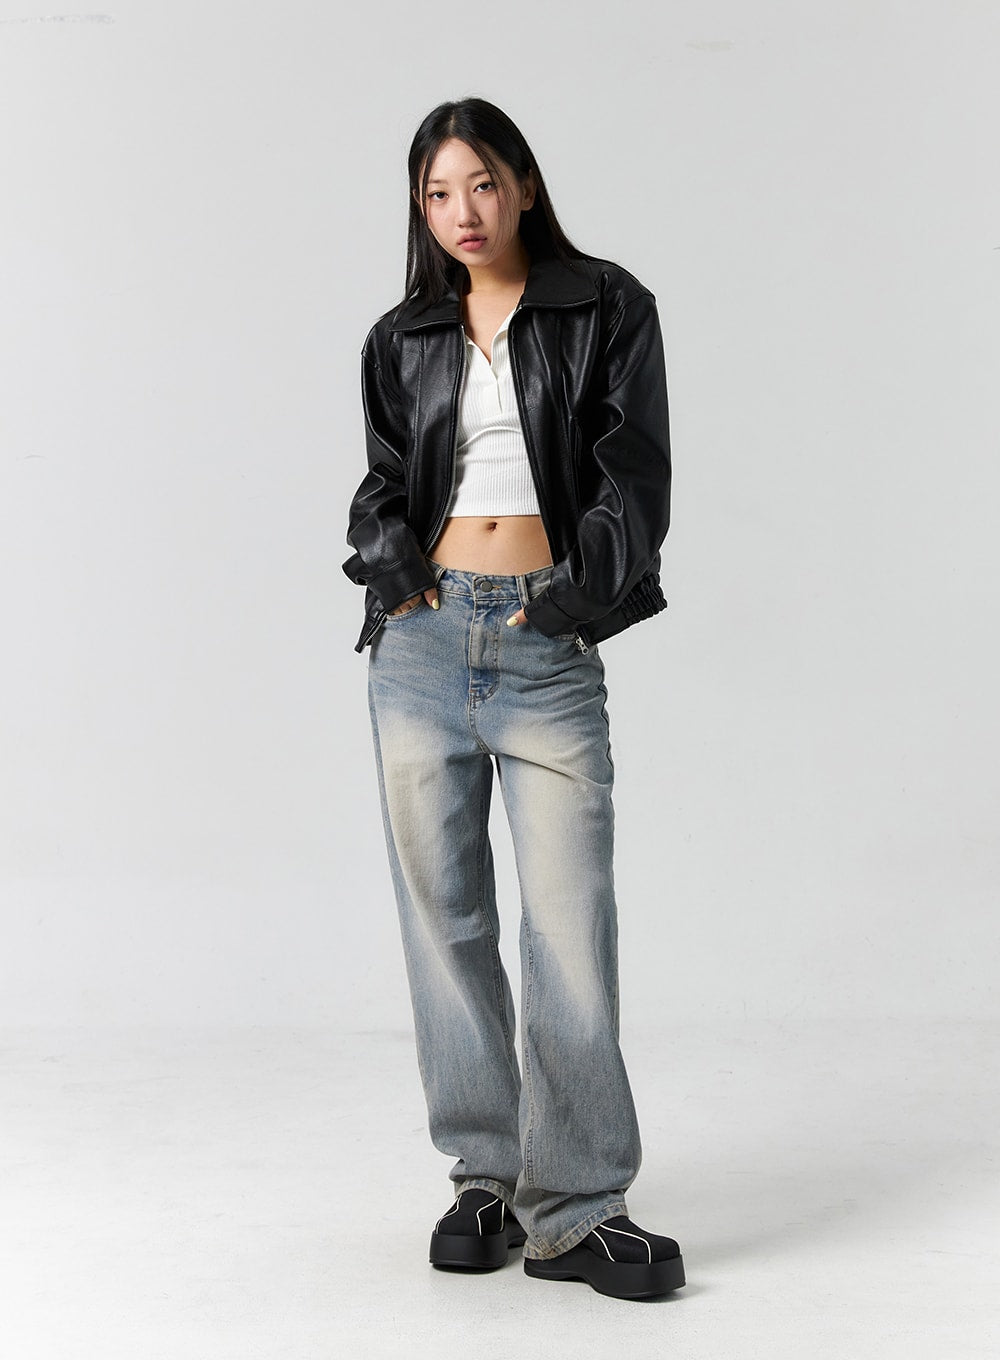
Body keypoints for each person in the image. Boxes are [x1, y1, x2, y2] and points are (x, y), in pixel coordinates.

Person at [342, 96, 683, 1302]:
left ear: (523, 185)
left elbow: (633, 472)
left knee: (568, 929)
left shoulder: (606, 306)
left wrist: (570, 599)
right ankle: (484, 1177)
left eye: (481, 184)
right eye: (438, 193)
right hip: (421, 647)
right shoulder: (402, 335)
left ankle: (577, 1206)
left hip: (542, 641)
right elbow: (386, 480)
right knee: (445, 925)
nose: (463, 212)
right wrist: (395, 572)